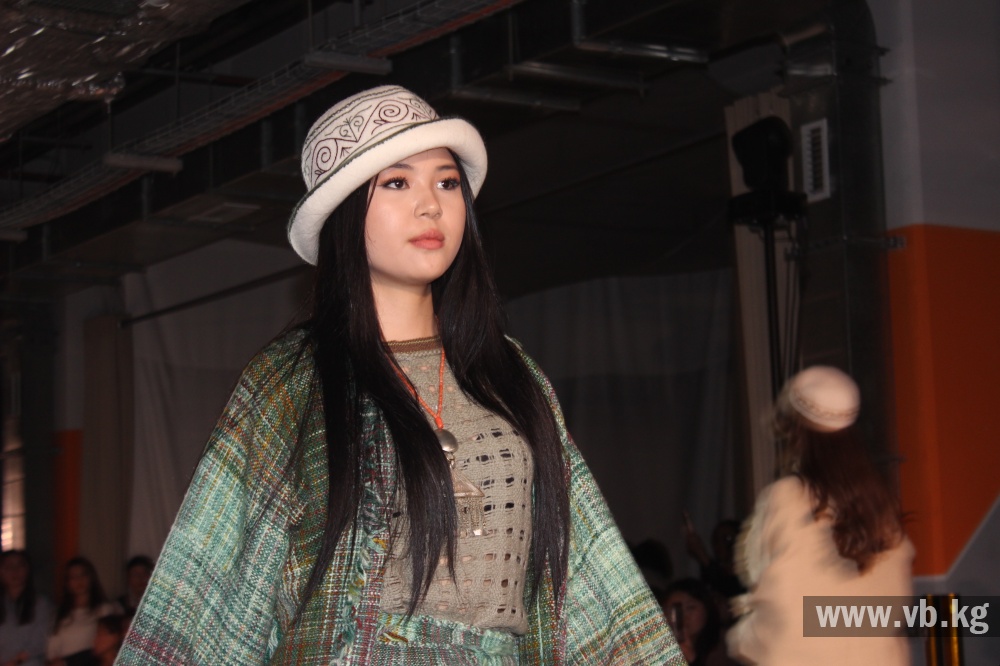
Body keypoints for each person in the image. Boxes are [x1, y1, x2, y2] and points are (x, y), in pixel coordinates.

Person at [116, 85, 684, 665]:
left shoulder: (511, 373)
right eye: (396, 182)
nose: (431, 205)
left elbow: (588, 576)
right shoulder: (293, 380)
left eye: (447, 182)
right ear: (342, 212)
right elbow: (211, 587)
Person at [726, 366, 914, 665]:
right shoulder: (879, 505)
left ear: (796, 432)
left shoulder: (786, 497)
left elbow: (779, 602)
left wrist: (740, 638)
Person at [47, 557, 115, 666]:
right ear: (67, 583)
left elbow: (107, 645)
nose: (79, 581)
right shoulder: (58, 614)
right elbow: (51, 648)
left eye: (83, 575)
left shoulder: (103, 610)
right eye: (73, 577)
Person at [663, 579, 739, 666]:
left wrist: (693, 660)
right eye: (676, 610)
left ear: (707, 609)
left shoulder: (727, 645)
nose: (683, 616)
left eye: (690, 608)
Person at [0, 550, 53, 666]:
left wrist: (16, 661)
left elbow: (41, 640)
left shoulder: (40, 604)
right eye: (9, 567)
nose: (15, 571)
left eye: (20, 565)